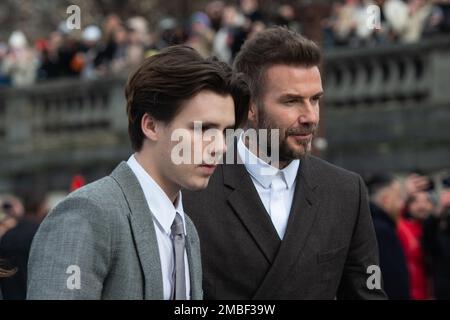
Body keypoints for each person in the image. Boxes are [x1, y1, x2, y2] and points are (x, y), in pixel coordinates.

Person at [27, 45, 249, 300]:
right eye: (203, 129)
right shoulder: (88, 214)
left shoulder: (187, 230)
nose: (220, 147)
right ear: (151, 125)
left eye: (224, 132)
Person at [183, 27, 386, 299]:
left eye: (315, 100)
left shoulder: (346, 191)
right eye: (292, 101)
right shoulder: (191, 191)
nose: (311, 117)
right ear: (250, 107)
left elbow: (368, 293)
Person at [367, 173, 410, 300]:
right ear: (386, 199)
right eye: (398, 198)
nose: (402, 205)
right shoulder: (381, 230)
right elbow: (392, 280)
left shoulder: (375, 225)